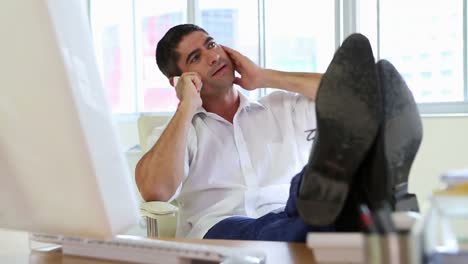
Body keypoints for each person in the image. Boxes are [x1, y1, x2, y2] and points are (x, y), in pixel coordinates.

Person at [135, 24, 422, 241]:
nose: (212, 56)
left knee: (309, 221)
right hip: (221, 230)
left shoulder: (280, 107)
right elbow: (155, 190)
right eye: (196, 57)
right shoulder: (177, 132)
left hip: (292, 214)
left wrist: (264, 77)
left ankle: (338, 189)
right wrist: (186, 106)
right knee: (310, 220)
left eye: (211, 44)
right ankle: (349, 189)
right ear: (180, 81)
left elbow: (354, 95)